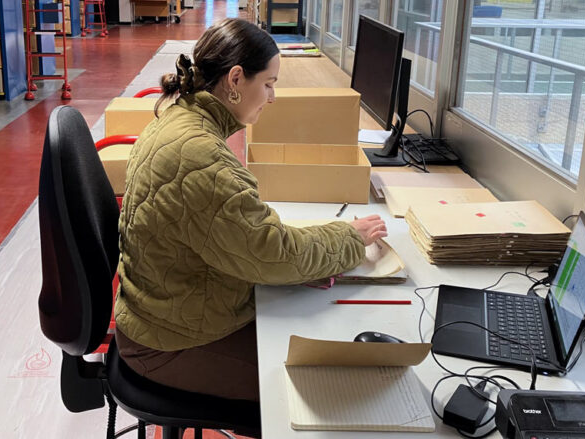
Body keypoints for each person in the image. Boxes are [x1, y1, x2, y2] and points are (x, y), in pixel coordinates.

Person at [115, 18, 387, 404]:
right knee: (325, 392)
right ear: (236, 79)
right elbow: (273, 254)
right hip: (168, 344)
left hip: (163, 315)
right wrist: (349, 236)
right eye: (270, 83)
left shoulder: (180, 119)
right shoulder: (200, 157)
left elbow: (247, 237)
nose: (273, 97)